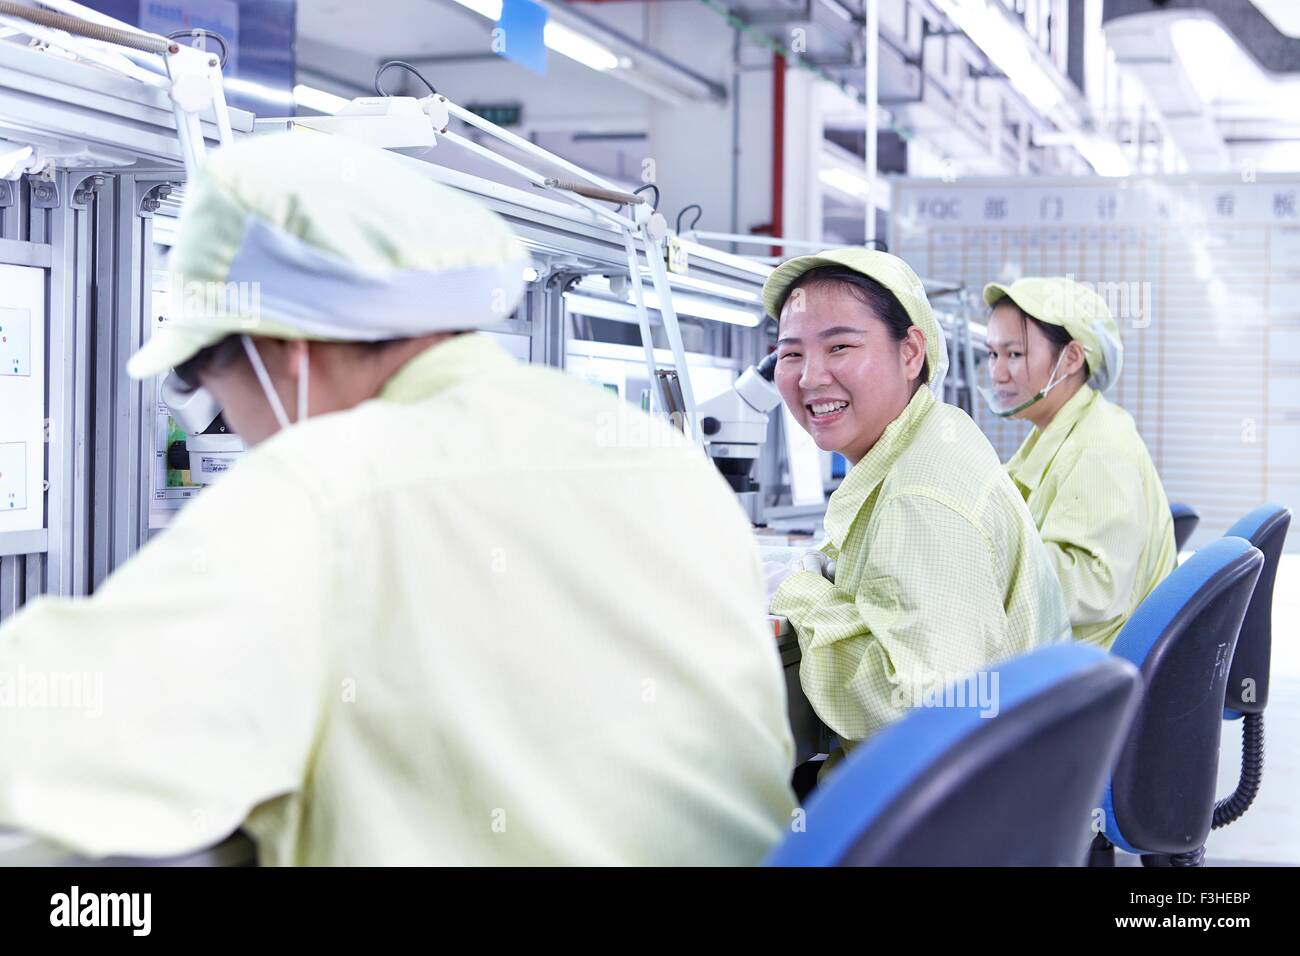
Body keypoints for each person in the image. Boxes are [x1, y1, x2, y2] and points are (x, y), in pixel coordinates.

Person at [0, 133, 797, 865]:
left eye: (211, 385)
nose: (236, 433)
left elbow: (47, 729)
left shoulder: (328, 486)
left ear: (279, 348)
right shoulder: (655, 456)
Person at [765, 248, 1070, 763]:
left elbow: (915, 703)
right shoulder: (933, 436)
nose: (810, 377)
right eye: (791, 354)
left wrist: (797, 593)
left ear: (910, 353)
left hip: (945, 817)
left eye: (839, 346)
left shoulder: (922, 493)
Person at [982, 277, 1176, 649]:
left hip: (1082, 673)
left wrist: (977, 561)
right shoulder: (1058, 430)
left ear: (1071, 358)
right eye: (992, 354)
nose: (997, 373)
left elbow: (1095, 587)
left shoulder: (1098, 448)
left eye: (1014, 354)